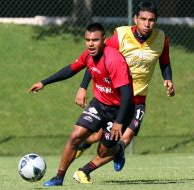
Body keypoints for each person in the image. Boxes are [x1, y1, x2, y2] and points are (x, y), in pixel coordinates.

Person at [72, 1, 175, 183]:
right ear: (136, 19)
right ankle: (85, 143)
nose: (147, 23)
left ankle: (84, 171)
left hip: (138, 99)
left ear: (156, 21)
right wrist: (83, 86)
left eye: (151, 20)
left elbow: (164, 62)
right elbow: (96, 58)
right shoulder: (121, 35)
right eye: (143, 19)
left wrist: (168, 79)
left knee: (124, 138)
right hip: (115, 98)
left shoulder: (162, 39)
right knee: (101, 135)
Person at [28, 23, 134, 186]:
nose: (91, 44)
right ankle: (59, 178)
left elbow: (127, 95)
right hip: (99, 104)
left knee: (104, 151)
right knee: (75, 136)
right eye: (87, 40)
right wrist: (44, 82)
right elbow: (71, 69)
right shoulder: (89, 55)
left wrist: (119, 122)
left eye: (95, 40)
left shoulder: (114, 60)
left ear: (104, 40)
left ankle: (118, 150)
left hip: (119, 110)